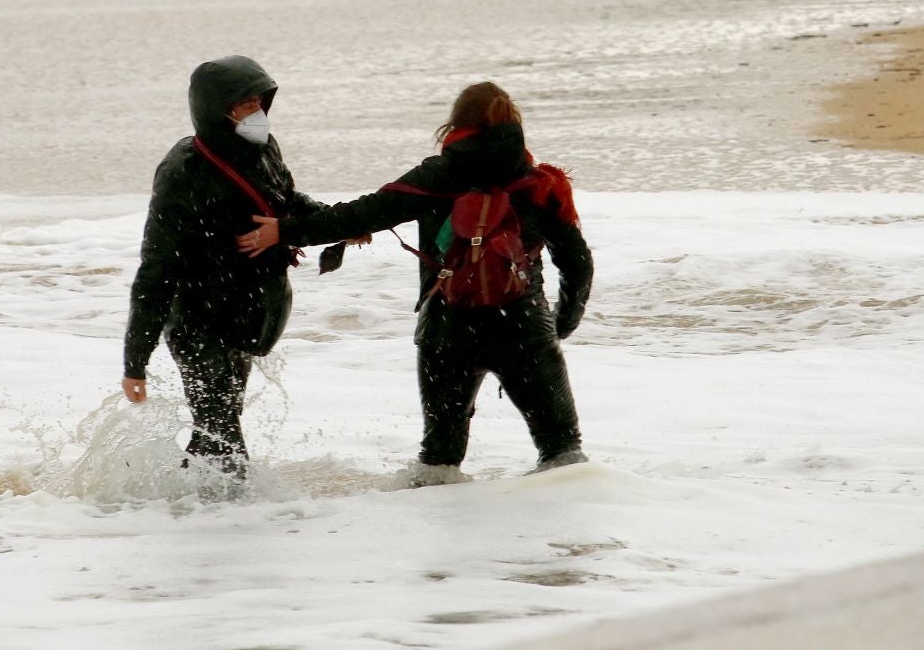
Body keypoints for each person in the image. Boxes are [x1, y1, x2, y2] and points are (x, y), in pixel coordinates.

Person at [238, 82, 593, 483]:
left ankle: (436, 535)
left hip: (448, 331)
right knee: (563, 454)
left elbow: (361, 215)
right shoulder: (540, 185)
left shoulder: (436, 177)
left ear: (456, 125)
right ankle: (569, 537)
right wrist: (560, 323)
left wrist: (285, 231)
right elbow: (577, 263)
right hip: (525, 330)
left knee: (438, 462)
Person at [121, 55, 349, 481]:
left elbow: (286, 204)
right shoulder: (182, 172)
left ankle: (172, 503)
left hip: (243, 314)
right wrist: (136, 361)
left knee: (215, 431)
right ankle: (238, 523)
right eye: (246, 103)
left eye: (261, 100)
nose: (257, 111)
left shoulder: (263, 147)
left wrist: (340, 222)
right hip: (195, 321)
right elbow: (156, 268)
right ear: (218, 109)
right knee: (223, 432)